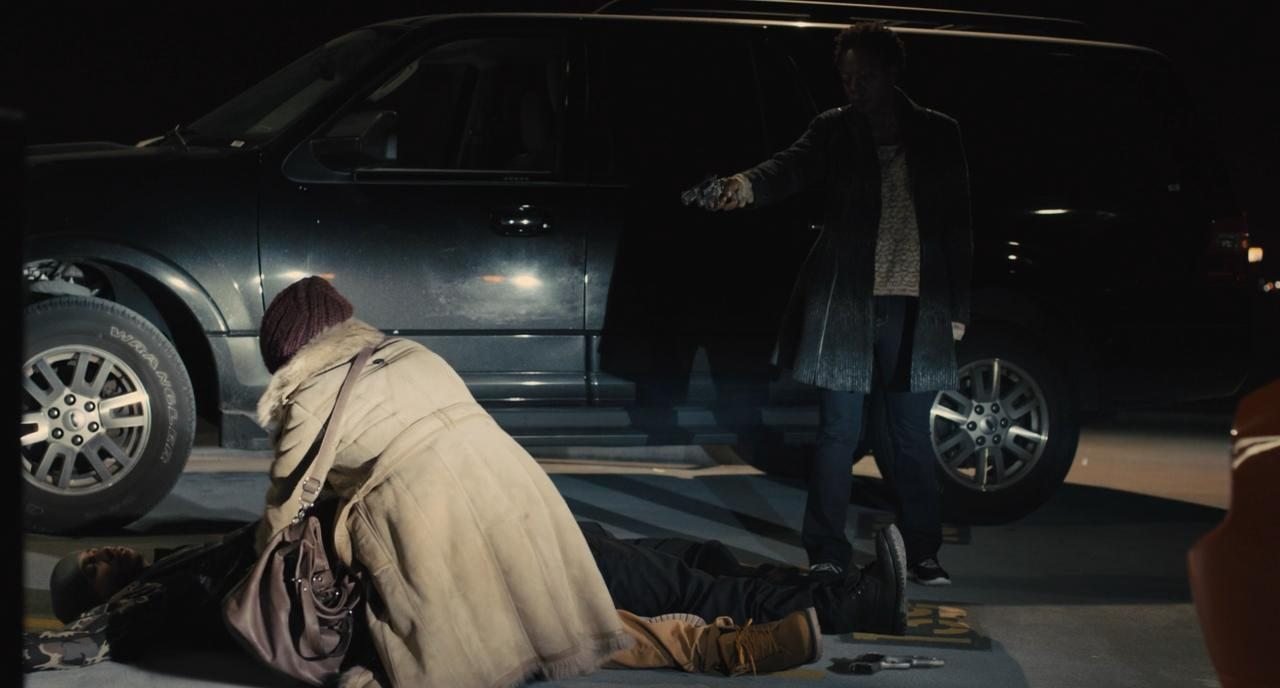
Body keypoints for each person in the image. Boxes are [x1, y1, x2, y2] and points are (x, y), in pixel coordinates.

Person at [706, 22, 972, 586]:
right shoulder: (834, 129)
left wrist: (957, 310)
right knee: (837, 432)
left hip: (915, 307)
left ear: (892, 72)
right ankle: (826, 550)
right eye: (847, 77)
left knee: (909, 433)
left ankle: (922, 551)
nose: (854, 87)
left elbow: (957, 225)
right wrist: (744, 185)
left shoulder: (937, 132)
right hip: (846, 303)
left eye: (865, 76)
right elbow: (788, 167)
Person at [25, 517, 908, 677]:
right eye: (94, 568)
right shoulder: (167, 590)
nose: (105, 556)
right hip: (433, 574)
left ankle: (834, 591)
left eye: (94, 554)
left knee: (676, 558)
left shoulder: (180, 555)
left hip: (444, 543)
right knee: (664, 585)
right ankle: (852, 605)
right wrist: (80, 630)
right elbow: (119, 619)